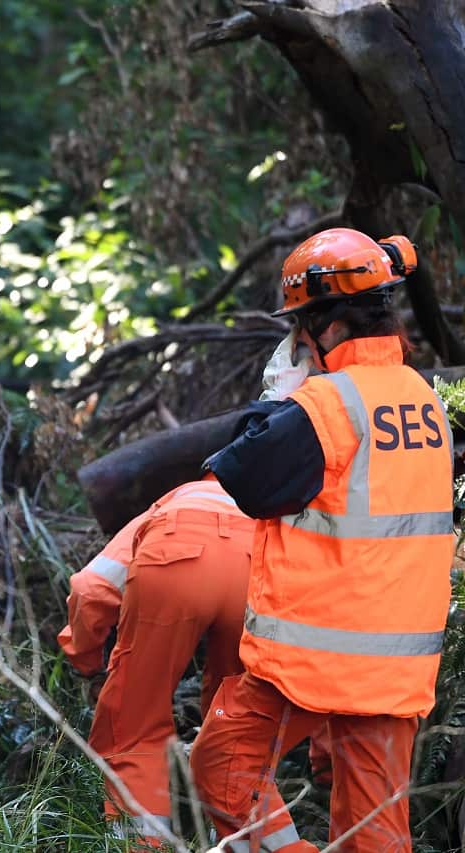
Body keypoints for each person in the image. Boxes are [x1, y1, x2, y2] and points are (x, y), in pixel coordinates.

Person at [192, 228, 454, 851]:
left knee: (223, 766)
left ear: (328, 329)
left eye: (299, 330)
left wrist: (276, 402)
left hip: (311, 660)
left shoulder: (327, 406)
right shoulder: (423, 400)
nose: (296, 344)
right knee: (374, 832)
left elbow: (248, 479)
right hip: (394, 666)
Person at [60, 476, 254, 849]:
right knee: (238, 725)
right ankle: (235, 843)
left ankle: (143, 845)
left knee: (134, 725)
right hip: (254, 571)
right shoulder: (267, 504)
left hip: (174, 558)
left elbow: (89, 587)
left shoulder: (175, 500)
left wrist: (84, 657)